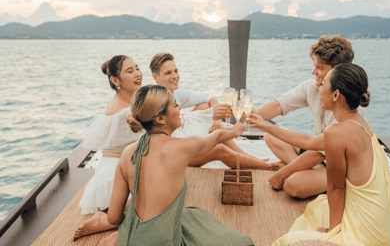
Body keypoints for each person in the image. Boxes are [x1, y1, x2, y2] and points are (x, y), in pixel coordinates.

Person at [249, 63, 390, 245]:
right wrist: (265, 126)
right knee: (320, 207)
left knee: (285, 242)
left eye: (323, 84)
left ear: (336, 95)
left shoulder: (337, 133)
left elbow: (337, 188)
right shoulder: (360, 123)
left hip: (371, 237)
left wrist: (331, 233)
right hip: (389, 227)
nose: (319, 87)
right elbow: (309, 142)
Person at [107, 84, 254, 245]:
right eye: (176, 105)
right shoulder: (182, 147)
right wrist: (235, 131)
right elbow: (217, 137)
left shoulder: (127, 153)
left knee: (191, 215)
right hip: (163, 242)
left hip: (129, 240)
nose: (180, 108)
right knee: (239, 241)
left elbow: (113, 218)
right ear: (160, 119)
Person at [253, 35, 364, 198]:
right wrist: (249, 116)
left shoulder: (347, 106)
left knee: (293, 185)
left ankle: (313, 176)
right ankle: (306, 170)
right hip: (320, 152)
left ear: (337, 71)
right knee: (271, 136)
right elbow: (279, 105)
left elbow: (315, 148)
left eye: (319, 68)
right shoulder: (313, 87)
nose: (314, 72)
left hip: (342, 167)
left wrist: (282, 174)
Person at [150, 52, 271, 170]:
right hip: (174, 153)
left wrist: (215, 119)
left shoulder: (176, 94)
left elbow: (209, 98)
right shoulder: (155, 101)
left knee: (207, 111)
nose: (175, 76)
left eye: (176, 71)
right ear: (155, 77)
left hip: (183, 140)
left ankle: (250, 158)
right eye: (168, 73)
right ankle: (267, 167)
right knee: (219, 148)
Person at [74, 55, 143, 239]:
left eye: (137, 68)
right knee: (152, 199)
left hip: (131, 162)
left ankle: (112, 219)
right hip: (115, 168)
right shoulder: (119, 109)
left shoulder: (136, 97)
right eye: (130, 71)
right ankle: (109, 222)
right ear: (115, 80)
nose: (138, 74)